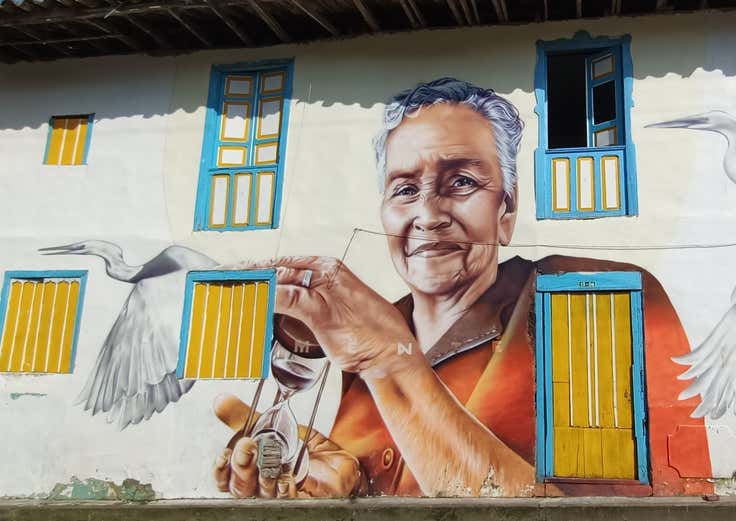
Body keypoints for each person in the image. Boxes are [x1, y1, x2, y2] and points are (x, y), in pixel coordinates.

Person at [212, 78, 710, 498]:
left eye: (462, 183)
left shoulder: (597, 298)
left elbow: (663, 504)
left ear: (507, 211)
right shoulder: (369, 346)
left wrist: (393, 362)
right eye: (405, 190)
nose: (428, 216)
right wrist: (345, 488)